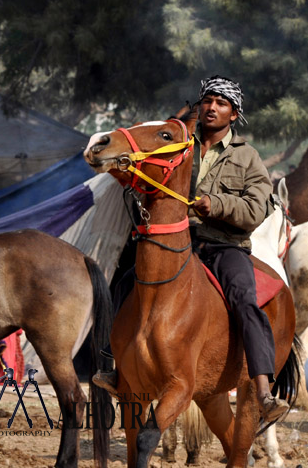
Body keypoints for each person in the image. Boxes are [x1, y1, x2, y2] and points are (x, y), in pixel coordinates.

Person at [94, 75, 289, 425]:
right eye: (208, 101)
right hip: (174, 243)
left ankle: (262, 387)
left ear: (234, 114)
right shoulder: (178, 145)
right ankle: (113, 369)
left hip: (224, 246)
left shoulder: (247, 158)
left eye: (221, 103)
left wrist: (216, 204)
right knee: (125, 284)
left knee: (245, 300)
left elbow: (255, 209)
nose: (212, 107)